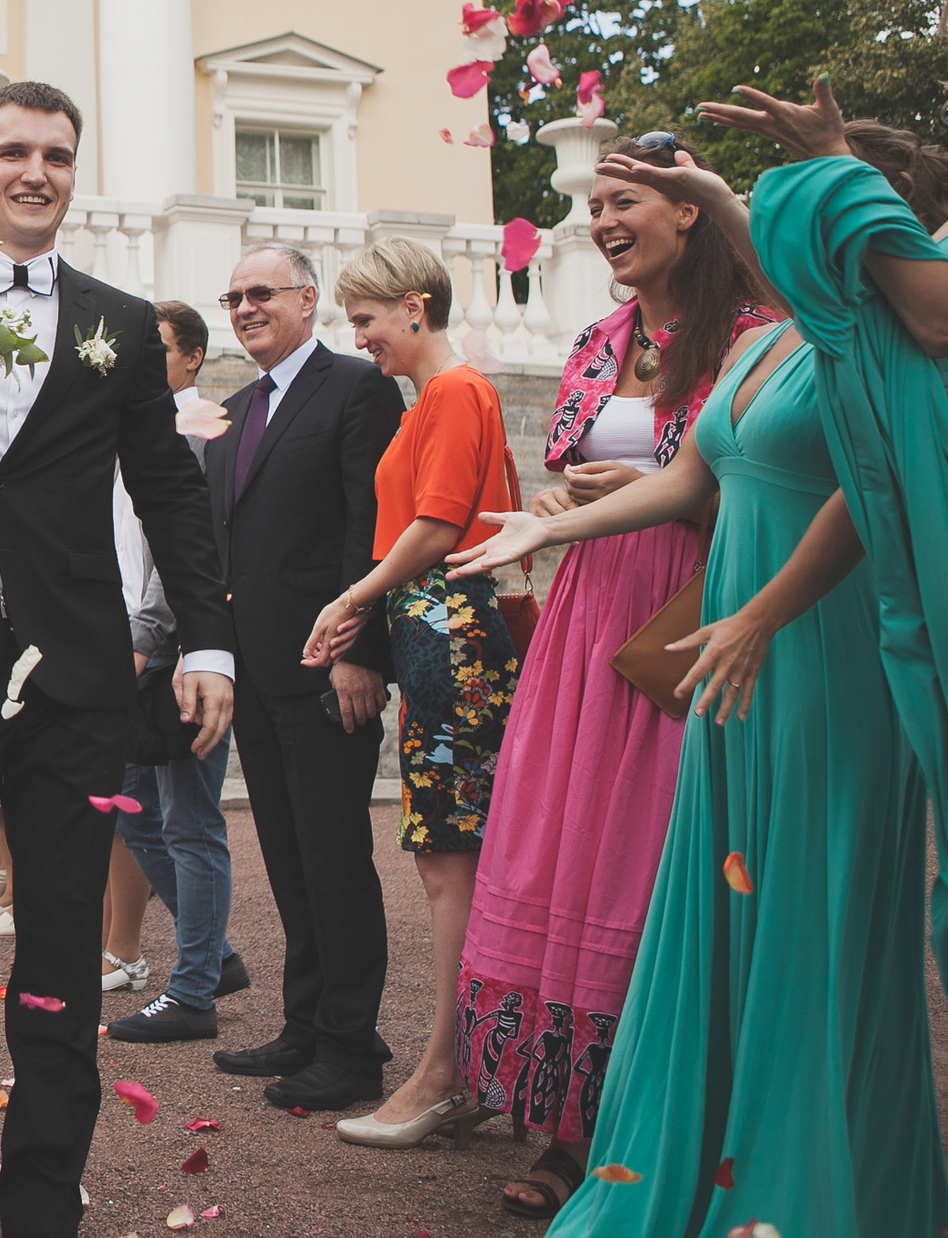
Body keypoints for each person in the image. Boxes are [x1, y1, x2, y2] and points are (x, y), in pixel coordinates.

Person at [455, 303, 948, 1229]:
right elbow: (684, 474)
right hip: (668, 610)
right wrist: (555, 522)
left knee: (778, 898)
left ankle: (789, 1147)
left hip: (786, 620)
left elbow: (872, 483)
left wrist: (759, 609)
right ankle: (651, 1129)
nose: (606, 221)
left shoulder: (851, 336)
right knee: (674, 884)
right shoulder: (719, 342)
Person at [0, 81, 232, 1235]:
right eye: (13, 151)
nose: (36, 171)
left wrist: (206, 639)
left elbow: (167, 485)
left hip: (76, 674)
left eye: (57, 155)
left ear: (75, 172)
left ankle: (39, 1206)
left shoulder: (119, 322)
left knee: (61, 945)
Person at [404, 135, 776, 1209]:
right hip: (584, 610)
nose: (604, 221)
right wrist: (571, 501)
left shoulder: (753, 335)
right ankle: (571, 1127)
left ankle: (673, 1117)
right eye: (598, 204)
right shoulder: (597, 335)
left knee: (655, 862)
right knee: (563, 850)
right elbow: (567, 471)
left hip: (693, 606)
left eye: (626, 203)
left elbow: (773, 481)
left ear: (691, 211)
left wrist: (670, 487)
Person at [636, 2, 948, 1068]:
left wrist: (838, 165)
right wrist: (719, 198)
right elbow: (853, 319)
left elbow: (933, 323)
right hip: (932, 527)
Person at [297, 238, 520, 1126]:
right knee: (443, 858)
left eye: (366, 320)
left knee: (450, 859)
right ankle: (453, 1065)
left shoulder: (456, 391)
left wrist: (352, 595)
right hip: (435, 629)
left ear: (416, 307)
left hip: (450, 628)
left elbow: (435, 525)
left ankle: (447, 1071)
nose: (361, 340)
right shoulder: (441, 395)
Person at [197, 245, 402, 1110]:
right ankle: (307, 1023)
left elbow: (370, 519)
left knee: (334, 857)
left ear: (308, 298)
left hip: (329, 665)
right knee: (286, 856)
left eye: (260, 292)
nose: (244, 307)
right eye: (232, 295)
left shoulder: (357, 388)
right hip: (256, 667)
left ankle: (352, 1047)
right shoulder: (236, 408)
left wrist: (361, 649)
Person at [107, 299, 252, 1043]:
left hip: (181, 648)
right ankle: (215, 955)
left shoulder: (200, 427)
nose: (143, 360)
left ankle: (193, 989)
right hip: (139, 637)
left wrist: (156, 635)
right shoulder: (138, 422)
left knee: (192, 821)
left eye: (156, 348)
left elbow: (190, 546)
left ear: (192, 357)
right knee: (133, 806)